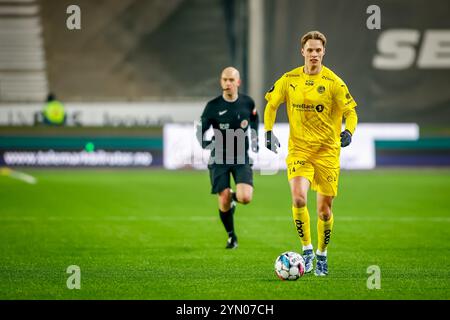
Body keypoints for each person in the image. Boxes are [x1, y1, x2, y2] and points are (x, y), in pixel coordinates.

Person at [264, 31, 358, 276]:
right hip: (299, 150)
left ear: (323, 52)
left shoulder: (334, 82)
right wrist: (268, 132)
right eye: (310, 50)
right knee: (298, 198)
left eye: (318, 50)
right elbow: (271, 105)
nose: (314, 54)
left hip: (327, 152)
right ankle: (306, 249)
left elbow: (351, 113)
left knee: (324, 211)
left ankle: (322, 253)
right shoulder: (289, 78)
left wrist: (349, 132)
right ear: (302, 52)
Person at [197, 67, 259, 249]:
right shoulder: (213, 106)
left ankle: (234, 198)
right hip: (220, 159)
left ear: (238, 82)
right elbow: (202, 129)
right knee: (223, 198)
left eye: (231, 80)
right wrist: (205, 143)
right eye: (224, 80)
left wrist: (255, 137)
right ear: (221, 81)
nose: (227, 83)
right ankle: (232, 236)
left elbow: (255, 120)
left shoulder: (247, 103)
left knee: (245, 197)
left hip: (241, 157)